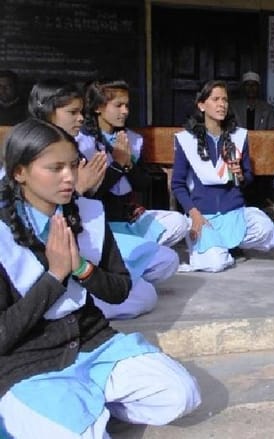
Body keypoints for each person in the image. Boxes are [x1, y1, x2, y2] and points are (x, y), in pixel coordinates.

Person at [0, 118, 201, 438]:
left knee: (180, 394)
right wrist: (55, 275)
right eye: (55, 168)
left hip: (93, 345)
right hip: (30, 364)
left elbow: (119, 290)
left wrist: (82, 268)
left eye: (73, 165)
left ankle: (88, 405)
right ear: (19, 173)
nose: (70, 177)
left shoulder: (87, 212)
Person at [76, 79, 186, 318]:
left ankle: (128, 270)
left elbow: (142, 183)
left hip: (128, 217)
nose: (125, 111)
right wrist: (117, 164)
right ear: (98, 107)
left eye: (127, 105)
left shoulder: (132, 139)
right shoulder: (82, 143)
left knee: (178, 225)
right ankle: (118, 276)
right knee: (159, 264)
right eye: (118, 105)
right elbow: (92, 194)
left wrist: (128, 164)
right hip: (102, 223)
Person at [171, 80, 274, 272]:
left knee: (266, 229)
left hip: (234, 212)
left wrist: (241, 176)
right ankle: (220, 247)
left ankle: (223, 244)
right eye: (216, 99)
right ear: (202, 105)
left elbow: (248, 177)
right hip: (203, 215)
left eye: (225, 100)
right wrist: (194, 214)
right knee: (216, 264)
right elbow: (178, 184)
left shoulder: (238, 136)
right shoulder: (186, 140)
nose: (222, 104)